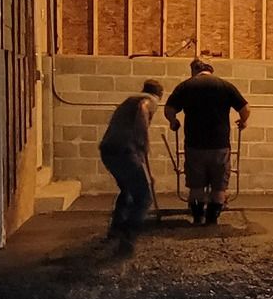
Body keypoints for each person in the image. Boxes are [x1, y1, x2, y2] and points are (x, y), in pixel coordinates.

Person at [164, 57, 250, 225]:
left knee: (196, 186)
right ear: (211, 71)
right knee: (219, 186)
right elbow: (245, 108)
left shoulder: (186, 86)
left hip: (194, 144)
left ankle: (197, 218)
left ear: (194, 71)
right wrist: (243, 121)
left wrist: (173, 122)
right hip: (220, 145)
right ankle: (212, 220)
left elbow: (169, 109)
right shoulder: (224, 85)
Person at [98, 78, 163, 245]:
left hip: (108, 149)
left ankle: (116, 229)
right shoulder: (150, 100)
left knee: (127, 189)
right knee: (143, 197)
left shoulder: (128, 100)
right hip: (124, 150)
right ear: (159, 94)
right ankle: (128, 234)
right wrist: (144, 142)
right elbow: (143, 108)